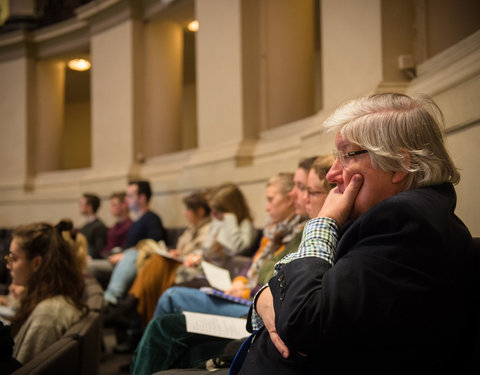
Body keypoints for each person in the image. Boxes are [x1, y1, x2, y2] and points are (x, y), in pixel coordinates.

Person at [232, 93, 479, 375]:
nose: (332, 174)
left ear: (399, 163)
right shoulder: (395, 216)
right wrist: (265, 295)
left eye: (347, 156)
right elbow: (293, 290)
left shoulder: (404, 223)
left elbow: (305, 321)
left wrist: (322, 224)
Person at [130, 170, 330, 374]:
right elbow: (254, 267)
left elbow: (267, 273)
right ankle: (135, 332)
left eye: (308, 190)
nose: (299, 195)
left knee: (171, 299)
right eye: (298, 188)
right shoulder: (276, 230)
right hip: (248, 295)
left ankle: (133, 331)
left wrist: (248, 286)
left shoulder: (305, 233)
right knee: (164, 293)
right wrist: (242, 279)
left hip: (253, 303)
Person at [6, 222, 86, 365]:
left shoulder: (47, 314)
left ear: (36, 263)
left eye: (14, 258)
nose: (8, 265)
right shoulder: (55, 300)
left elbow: (22, 369)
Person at [99, 180, 167, 306]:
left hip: (136, 261)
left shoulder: (152, 219)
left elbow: (153, 245)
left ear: (142, 198)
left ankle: (109, 300)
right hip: (124, 260)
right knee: (90, 266)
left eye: (130, 196)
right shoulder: (137, 222)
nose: (126, 199)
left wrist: (126, 254)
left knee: (93, 267)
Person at [100, 191, 133, 258]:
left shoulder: (130, 226)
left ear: (124, 205)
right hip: (107, 257)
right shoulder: (114, 227)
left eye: (114, 205)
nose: (111, 208)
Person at [78, 193, 108, 259]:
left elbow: (99, 249)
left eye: (81, 204)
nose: (79, 206)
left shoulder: (99, 226)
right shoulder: (85, 226)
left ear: (89, 207)